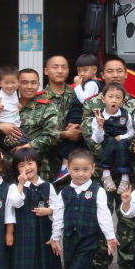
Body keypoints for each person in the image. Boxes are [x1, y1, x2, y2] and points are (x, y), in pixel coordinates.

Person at [82, 57, 135, 269]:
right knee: (101, 217)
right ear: (102, 75)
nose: (115, 74)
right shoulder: (91, 104)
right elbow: (90, 138)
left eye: (120, 71)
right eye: (110, 71)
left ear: (127, 75)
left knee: (129, 220)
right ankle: (100, 264)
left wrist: (130, 146)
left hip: (129, 170)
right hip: (101, 171)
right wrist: (111, 152)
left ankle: (128, 264)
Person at [49, 149, 119, 269]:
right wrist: (55, 237)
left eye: (85, 169)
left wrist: (110, 236)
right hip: (70, 238)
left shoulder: (98, 191)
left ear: (93, 168)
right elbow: (58, 216)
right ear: (68, 168)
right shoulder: (64, 192)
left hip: (89, 238)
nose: (81, 174)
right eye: (76, 169)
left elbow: (104, 215)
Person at [7, 148, 62, 269]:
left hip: (42, 232)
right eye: (21, 165)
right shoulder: (14, 187)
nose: (26, 168)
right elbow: (15, 203)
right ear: (16, 168)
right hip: (23, 232)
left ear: (38, 165)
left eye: (30, 163)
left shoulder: (48, 186)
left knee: (41, 267)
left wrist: (49, 211)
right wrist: (21, 184)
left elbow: (58, 207)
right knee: (23, 268)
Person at [0, 69, 61, 182]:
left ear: (39, 85)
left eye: (33, 83)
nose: (29, 86)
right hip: (8, 168)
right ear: (18, 83)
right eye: (24, 82)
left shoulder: (47, 107)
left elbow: (52, 136)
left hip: (37, 167)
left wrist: (25, 148)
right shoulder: (5, 104)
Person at [56, 54, 104, 182]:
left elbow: (84, 100)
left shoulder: (91, 84)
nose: (81, 73)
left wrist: (77, 85)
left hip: (80, 116)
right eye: (79, 71)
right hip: (82, 116)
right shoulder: (95, 83)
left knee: (69, 142)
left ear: (94, 70)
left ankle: (64, 168)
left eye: (85, 70)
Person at [92, 83, 135, 194]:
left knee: (122, 143)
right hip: (107, 145)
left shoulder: (126, 115)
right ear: (103, 99)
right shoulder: (98, 116)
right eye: (110, 97)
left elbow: (131, 132)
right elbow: (97, 139)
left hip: (122, 145)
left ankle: (125, 178)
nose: (114, 100)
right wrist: (100, 126)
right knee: (110, 141)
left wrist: (121, 137)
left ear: (123, 101)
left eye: (118, 97)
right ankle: (106, 175)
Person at [0, 65, 31, 149]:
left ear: (18, 82)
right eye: (6, 83)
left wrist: (18, 107)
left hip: (17, 129)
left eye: (13, 82)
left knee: (28, 147)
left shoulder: (14, 93)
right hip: (5, 133)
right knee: (28, 146)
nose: (10, 86)